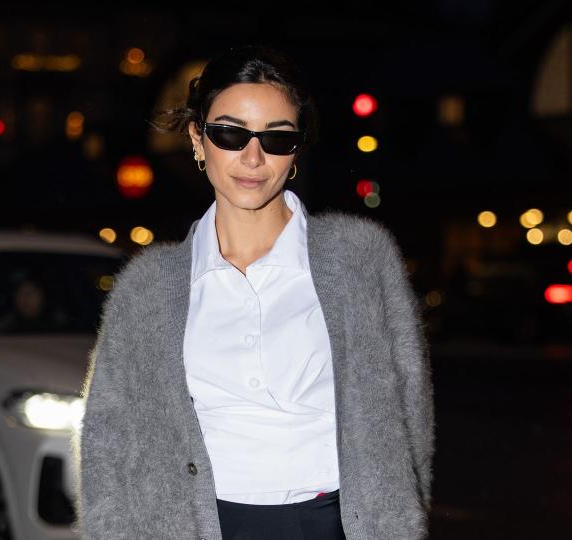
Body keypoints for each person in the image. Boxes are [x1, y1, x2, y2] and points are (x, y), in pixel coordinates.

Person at [74, 45, 434, 539]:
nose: (252, 157)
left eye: (277, 138)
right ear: (197, 140)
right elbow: (106, 445)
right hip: (193, 526)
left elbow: (408, 416)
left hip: (335, 524)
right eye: (229, 132)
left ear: (297, 149)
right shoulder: (150, 287)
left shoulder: (359, 259)